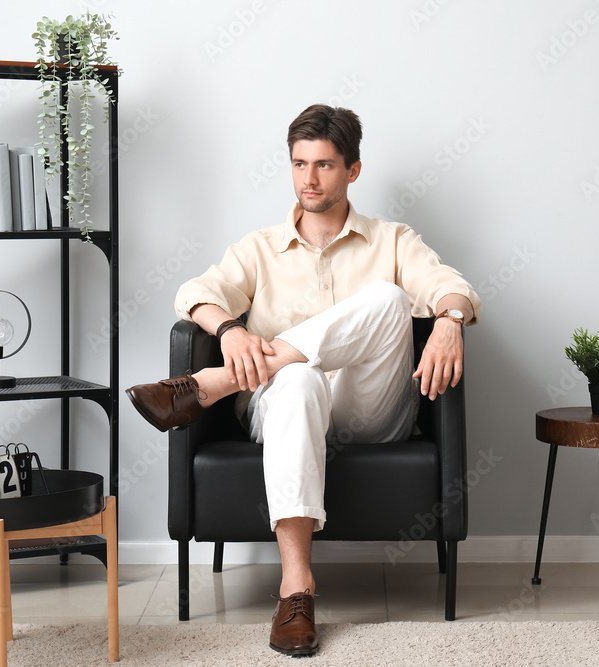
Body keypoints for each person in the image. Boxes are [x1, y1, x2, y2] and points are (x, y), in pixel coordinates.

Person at [126, 104, 481, 657]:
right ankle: (297, 589)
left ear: (353, 170)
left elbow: (448, 284)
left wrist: (450, 321)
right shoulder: (260, 248)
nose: (309, 179)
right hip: (287, 409)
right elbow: (195, 291)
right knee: (297, 380)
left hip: (370, 410)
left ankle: (209, 385)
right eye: (298, 164)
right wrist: (226, 331)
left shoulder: (391, 239)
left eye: (324, 165)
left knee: (388, 298)